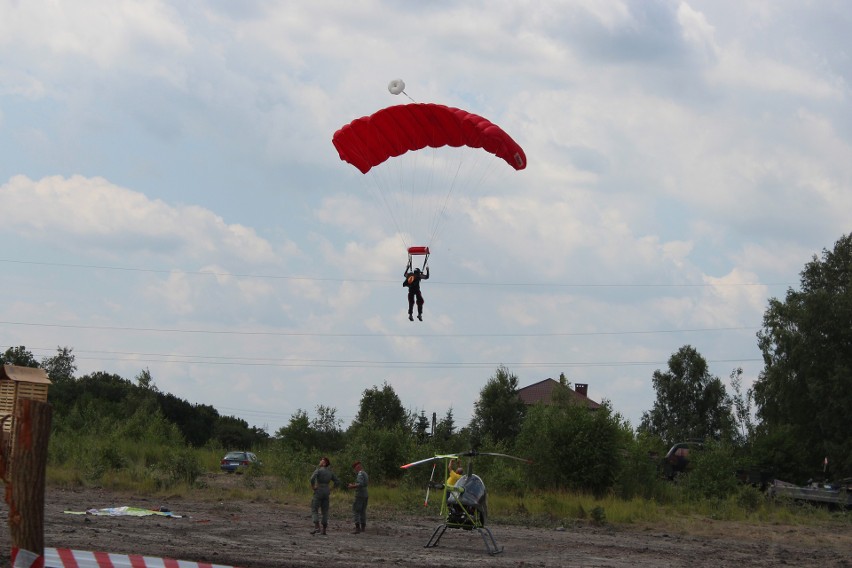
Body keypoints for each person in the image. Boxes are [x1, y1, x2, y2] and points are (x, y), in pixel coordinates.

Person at [309, 456, 341, 535]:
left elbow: (312, 478)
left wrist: (313, 486)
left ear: (324, 463)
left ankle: (317, 527)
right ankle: (324, 530)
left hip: (319, 490)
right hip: (326, 491)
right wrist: (332, 489)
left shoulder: (318, 470)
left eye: (321, 461)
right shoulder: (330, 472)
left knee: (314, 509)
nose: (320, 461)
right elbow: (337, 481)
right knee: (325, 511)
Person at [347, 461, 369, 534]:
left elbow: (360, 484)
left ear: (358, 467)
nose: (355, 470)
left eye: (355, 468)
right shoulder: (365, 473)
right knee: (363, 511)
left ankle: (357, 528)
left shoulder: (360, 474)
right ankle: (363, 527)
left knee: (356, 510)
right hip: (365, 494)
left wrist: (352, 486)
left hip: (359, 494)